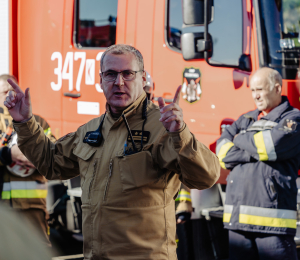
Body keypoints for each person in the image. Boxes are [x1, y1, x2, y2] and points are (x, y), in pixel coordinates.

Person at [5, 44, 220, 260]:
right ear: (101, 81)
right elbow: (50, 163)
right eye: (110, 74)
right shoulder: (90, 130)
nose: (119, 82)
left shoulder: (163, 128)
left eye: (128, 74)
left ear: (142, 78)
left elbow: (206, 177)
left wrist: (180, 134)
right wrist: (24, 121)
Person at [216, 67, 300, 259]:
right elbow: (222, 153)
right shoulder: (246, 118)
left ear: (277, 88)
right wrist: (252, 151)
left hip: (273, 224)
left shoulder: (293, 119)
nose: (256, 96)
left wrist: (239, 140)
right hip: (237, 222)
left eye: (260, 89)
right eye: (253, 90)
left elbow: (271, 147)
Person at [0, 74, 56, 247]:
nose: (9, 96)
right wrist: (9, 155)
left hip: (34, 209)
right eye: (3, 92)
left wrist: (38, 157)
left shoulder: (36, 121)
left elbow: (55, 154)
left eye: (12, 91)